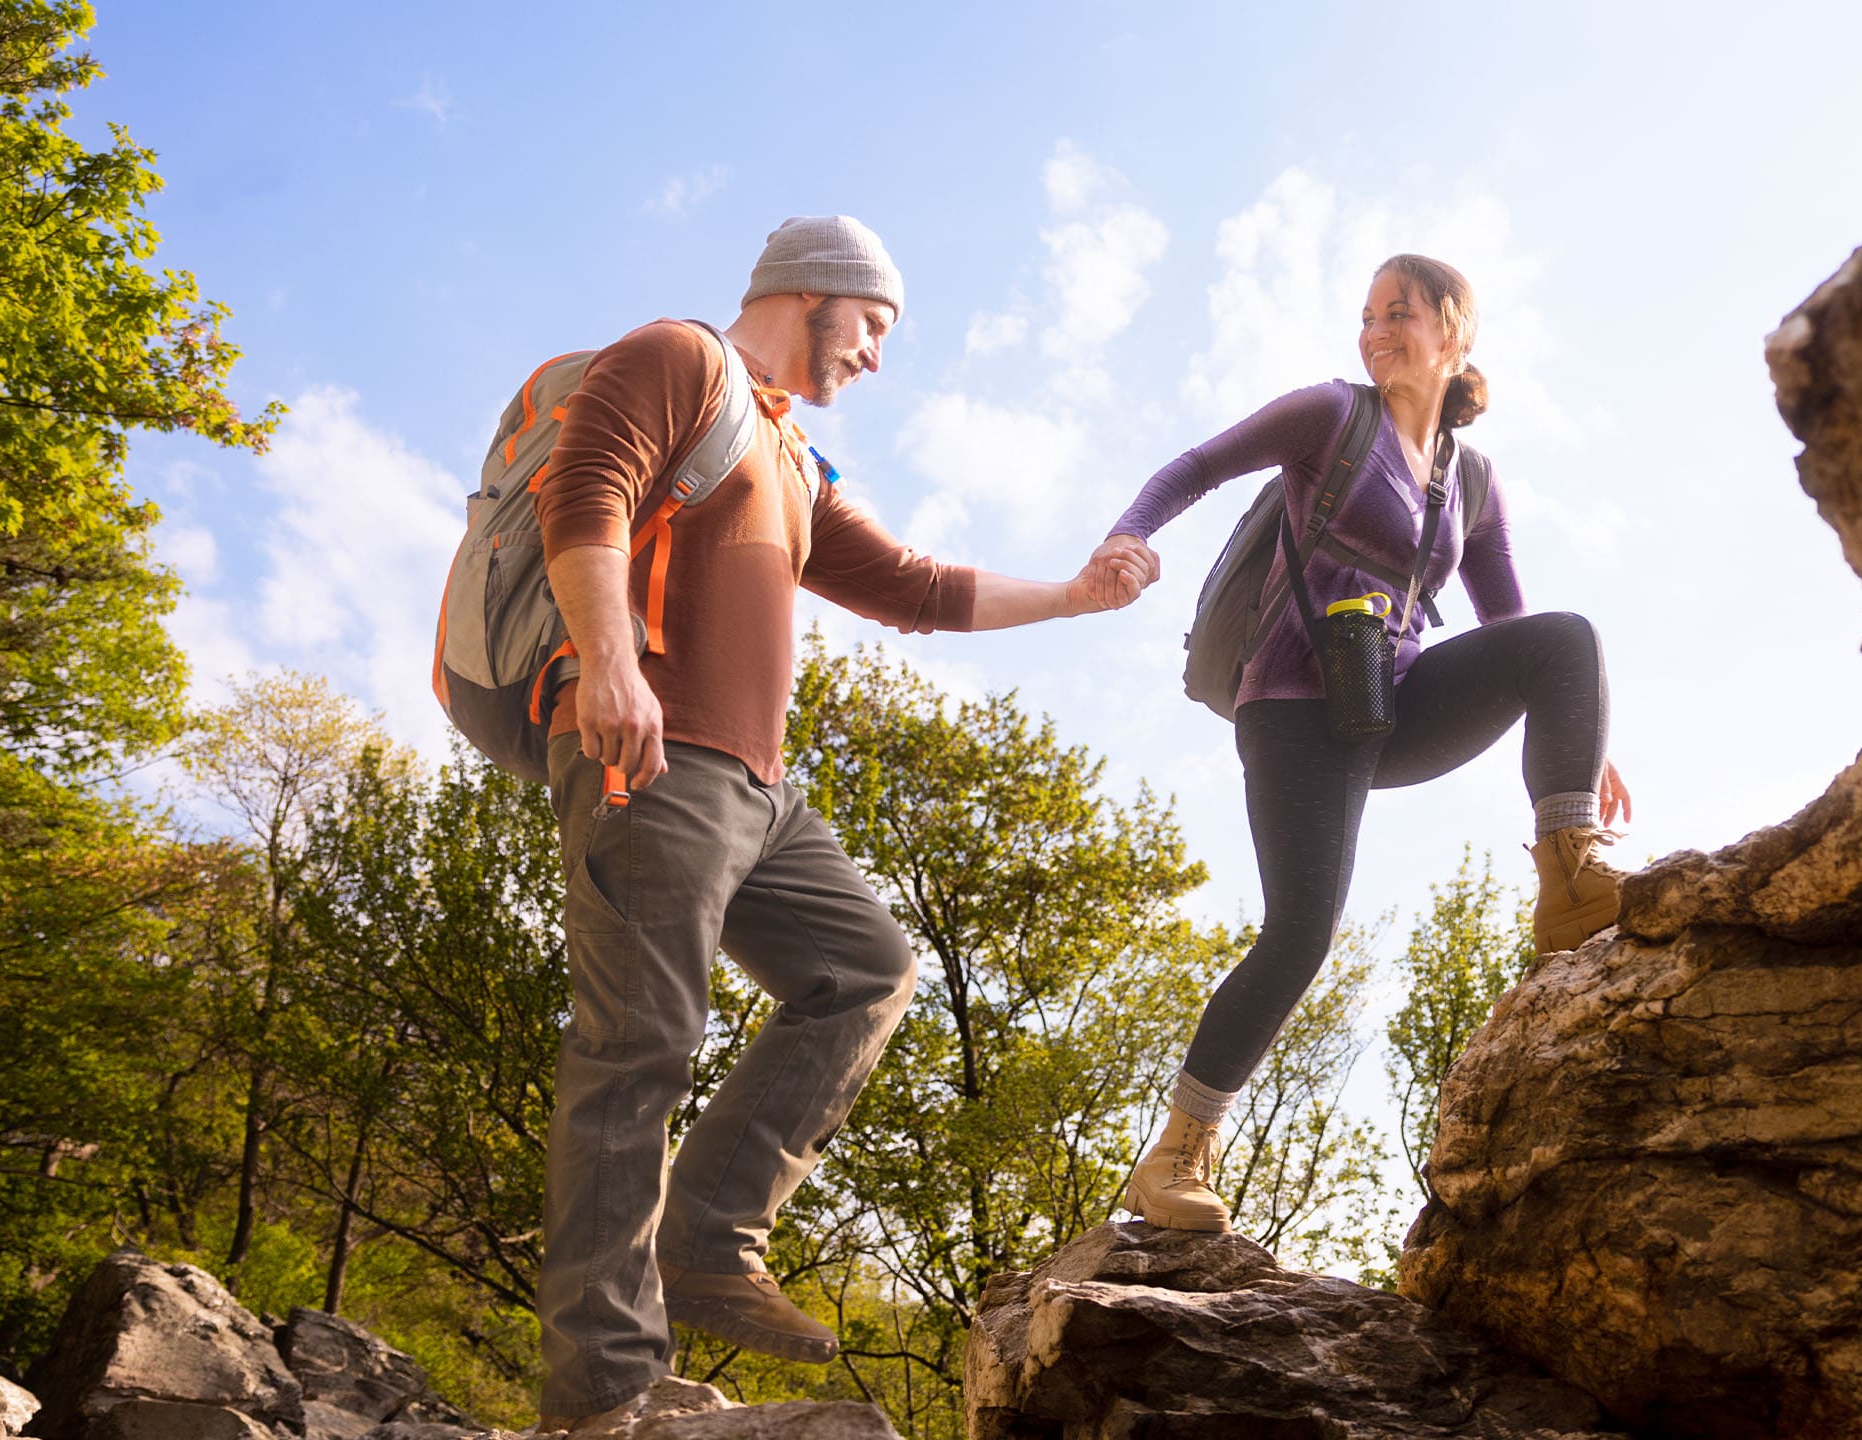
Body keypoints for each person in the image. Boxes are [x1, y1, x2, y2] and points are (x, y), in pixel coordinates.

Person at [531, 215, 1146, 1424]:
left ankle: (707, 1234)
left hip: (757, 791)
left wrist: (1074, 599)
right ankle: (601, 1394)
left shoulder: (791, 456)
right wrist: (609, 661)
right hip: (650, 749)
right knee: (638, 1049)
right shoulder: (678, 359)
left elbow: (916, 588)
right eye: (871, 325)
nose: (875, 355)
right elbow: (585, 495)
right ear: (809, 291)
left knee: (866, 970)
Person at [1091, 254, 1631, 1233]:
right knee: (1300, 933)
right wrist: (1127, 536)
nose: (1376, 331)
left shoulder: (1472, 479)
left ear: (1454, 331)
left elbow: (1510, 622)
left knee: (1569, 640)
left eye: (1400, 313)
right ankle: (1177, 1154)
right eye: (1368, 315)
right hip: (1295, 702)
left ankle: (1570, 878)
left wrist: (1583, 741)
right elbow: (1195, 466)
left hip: (1396, 701)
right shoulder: (1329, 416)